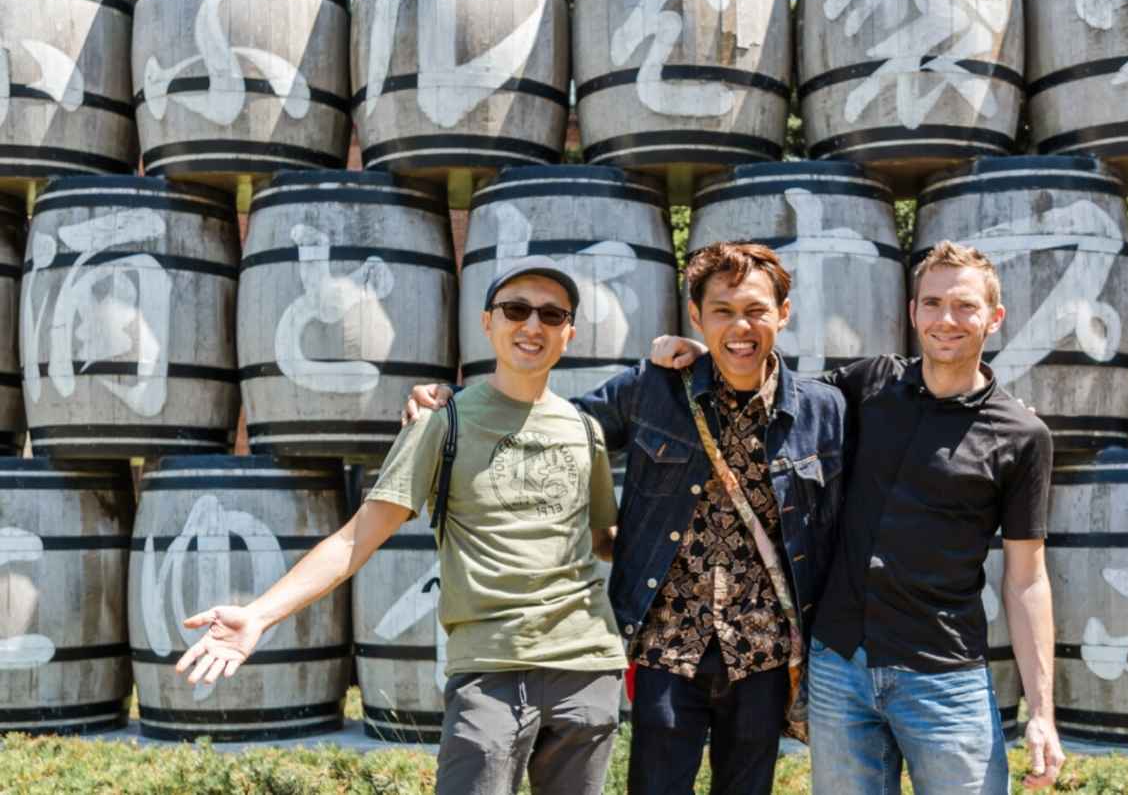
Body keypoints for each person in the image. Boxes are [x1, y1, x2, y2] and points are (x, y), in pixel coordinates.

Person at [173, 256, 626, 795]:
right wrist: (258, 615)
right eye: (516, 309)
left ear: (569, 333)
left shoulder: (585, 430)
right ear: (488, 322)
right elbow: (356, 538)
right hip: (489, 671)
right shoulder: (442, 421)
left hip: (588, 669)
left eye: (552, 315)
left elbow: (604, 542)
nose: (533, 326)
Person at [406, 242, 847, 795]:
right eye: (723, 311)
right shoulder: (652, 387)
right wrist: (454, 402)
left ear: (783, 313)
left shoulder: (822, 409)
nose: (741, 326)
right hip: (666, 645)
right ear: (696, 316)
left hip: (764, 653)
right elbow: (545, 423)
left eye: (757, 310)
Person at [651, 240, 1065, 793]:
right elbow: (770, 391)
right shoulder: (869, 385)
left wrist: (1042, 712)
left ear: (994, 317)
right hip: (840, 666)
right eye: (933, 302)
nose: (947, 319)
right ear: (913, 311)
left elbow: (1027, 579)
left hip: (944, 674)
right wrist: (706, 350)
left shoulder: (1022, 436)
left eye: (965, 306)